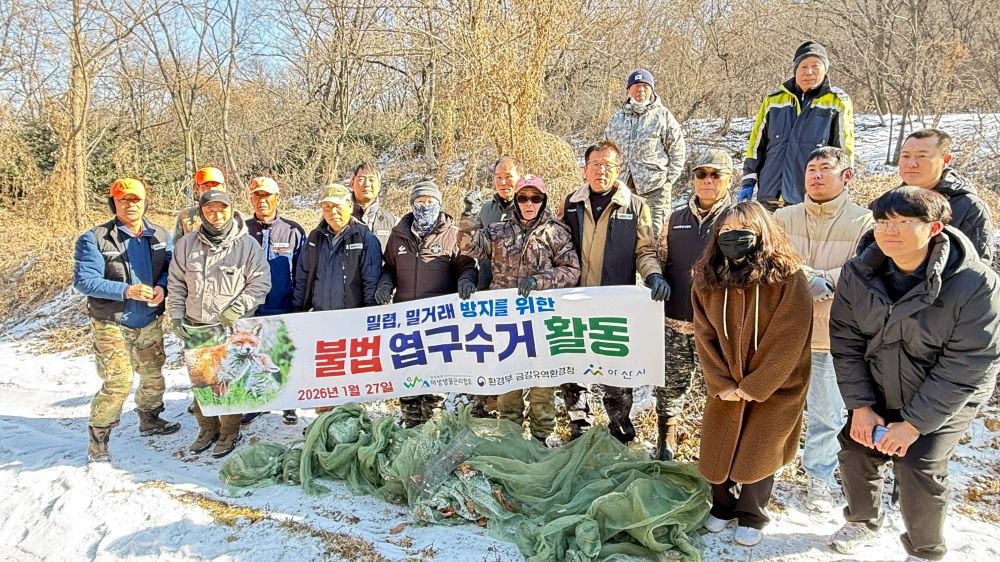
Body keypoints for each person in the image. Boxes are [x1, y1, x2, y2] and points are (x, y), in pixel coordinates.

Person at [828, 187, 1000, 562]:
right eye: (882, 222)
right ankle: (862, 520)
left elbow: (969, 362)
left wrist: (914, 423)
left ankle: (925, 549)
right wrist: (860, 405)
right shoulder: (858, 273)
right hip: (879, 380)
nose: (889, 231)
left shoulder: (974, 283)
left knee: (918, 462)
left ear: (934, 227)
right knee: (857, 449)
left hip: (945, 392)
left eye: (903, 222)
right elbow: (845, 341)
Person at [692, 201, 812, 547]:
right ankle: (723, 506)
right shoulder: (707, 277)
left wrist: (756, 384)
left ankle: (753, 514)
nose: (734, 237)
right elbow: (704, 334)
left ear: (761, 232)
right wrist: (721, 382)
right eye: (726, 231)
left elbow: (788, 338)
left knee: (760, 449)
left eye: (743, 231)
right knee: (718, 447)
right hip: (727, 382)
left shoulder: (788, 277)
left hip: (776, 385)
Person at [772, 147, 874, 512]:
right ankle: (768, 470)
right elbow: (771, 260)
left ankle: (818, 476)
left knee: (826, 413)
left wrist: (824, 279)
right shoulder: (782, 218)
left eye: (825, 169)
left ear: (846, 176)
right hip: (783, 332)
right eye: (811, 168)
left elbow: (865, 269)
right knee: (776, 407)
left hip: (833, 335)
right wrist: (803, 278)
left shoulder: (865, 222)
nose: (815, 175)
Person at [559, 140, 669, 442]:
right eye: (595, 164)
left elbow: (645, 251)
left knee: (616, 374)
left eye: (608, 165)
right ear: (585, 169)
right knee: (573, 369)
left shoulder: (635, 206)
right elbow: (555, 248)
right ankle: (579, 428)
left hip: (615, 307)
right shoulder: (569, 203)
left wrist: (653, 276)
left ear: (617, 169)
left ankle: (619, 429)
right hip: (574, 303)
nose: (601, 171)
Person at [459, 175, 581, 443]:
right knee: (509, 389)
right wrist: (468, 216)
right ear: (515, 200)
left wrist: (538, 281)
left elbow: (572, 270)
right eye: (523, 197)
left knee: (542, 392)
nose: (529, 203)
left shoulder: (556, 232)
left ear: (543, 201)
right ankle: (511, 442)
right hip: (506, 323)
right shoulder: (498, 230)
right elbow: (469, 247)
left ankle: (539, 443)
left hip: (543, 324)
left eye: (535, 198)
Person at [73, 178, 180, 463]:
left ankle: (150, 419)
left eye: (136, 200)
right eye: (124, 200)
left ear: (145, 202)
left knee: (153, 375)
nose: (130, 205)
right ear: (114, 204)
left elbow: (171, 269)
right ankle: (99, 437)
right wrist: (126, 290)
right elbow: (85, 281)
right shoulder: (94, 238)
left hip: (148, 319)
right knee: (118, 380)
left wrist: (163, 287)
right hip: (112, 322)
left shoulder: (160, 235)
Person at [167, 190, 271, 458]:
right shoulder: (186, 245)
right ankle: (207, 428)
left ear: (231, 210)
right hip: (197, 325)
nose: (217, 215)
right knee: (201, 380)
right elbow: (176, 284)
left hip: (230, 328)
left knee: (228, 382)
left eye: (222, 209)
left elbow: (261, 282)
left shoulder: (246, 245)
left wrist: (238, 308)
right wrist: (176, 315)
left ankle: (229, 431)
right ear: (201, 213)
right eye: (210, 210)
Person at [652, 149, 733, 461]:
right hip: (673, 322)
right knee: (668, 385)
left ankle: (715, 447)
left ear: (728, 179)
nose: (708, 181)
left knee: (716, 391)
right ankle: (665, 440)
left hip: (717, 328)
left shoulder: (739, 219)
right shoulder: (675, 219)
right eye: (701, 174)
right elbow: (657, 259)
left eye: (716, 175)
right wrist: (653, 278)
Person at [377, 180, 478, 428]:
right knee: (409, 382)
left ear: (439, 204)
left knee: (434, 387)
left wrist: (466, 281)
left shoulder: (453, 234)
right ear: (411, 204)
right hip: (406, 323)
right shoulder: (398, 235)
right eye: (419, 202)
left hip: (439, 325)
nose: (424, 207)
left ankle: (431, 431)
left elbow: (467, 266)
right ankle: (411, 427)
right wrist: (385, 284)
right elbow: (389, 268)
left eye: (429, 202)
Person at [295, 183, 382, 415]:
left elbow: (371, 283)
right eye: (326, 207)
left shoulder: (365, 238)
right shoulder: (314, 238)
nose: (332, 212)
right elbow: (303, 277)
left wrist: (369, 320)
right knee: (325, 375)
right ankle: (324, 421)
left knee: (351, 377)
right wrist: (298, 312)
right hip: (322, 320)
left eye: (337, 206)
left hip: (351, 322)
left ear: (349, 206)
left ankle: (351, 421)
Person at [741, 41, 854, 211]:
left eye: (815, 66)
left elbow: (844, 150)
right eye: (803, 66)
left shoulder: (837, 102)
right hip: (769, 196)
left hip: (808, 199)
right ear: (795, 70)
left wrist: (842, 186)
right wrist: (748, 181)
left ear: (825, 69)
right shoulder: (774, 100)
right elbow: (756, 145)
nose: (809, 72)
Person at [240, 176, 306, 427]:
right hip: (250, 307)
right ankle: (257, 403)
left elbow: (302, 271)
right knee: (252, 355)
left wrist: (299, 303)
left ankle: (288, 404)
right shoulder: (241, 230)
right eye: (257, 195)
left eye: (267, 196)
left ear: (277, 198)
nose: (262, 200)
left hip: (283, 303)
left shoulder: (292, 230)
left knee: (283, 355)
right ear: (251, 199)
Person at [461, 155, 522, 418]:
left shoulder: (532, 204)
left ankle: (514, 411)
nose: (503, 182)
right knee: (488, 351)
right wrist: (468, 216)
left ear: (519, 177)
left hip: (522, 296)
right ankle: (485, 404)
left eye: (508, 176)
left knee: (517, 353)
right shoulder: (486, 210)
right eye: (498, 177)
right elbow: (469, 246)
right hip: (489, 292)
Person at [604, 68, 686, 237]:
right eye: (636, 86)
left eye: (645, 86)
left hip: (655, 188)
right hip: (623, 186)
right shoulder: (617, 118)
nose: (640, 90)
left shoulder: (663, 116)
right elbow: (606, 148)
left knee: (653, 235)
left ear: (651, 89)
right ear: (628, 90)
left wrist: (669, 179)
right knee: (623, 234)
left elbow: (677, 148)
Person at [898, 128, 994, 261]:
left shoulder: (969, 207)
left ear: (946, 160)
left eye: (922, 156)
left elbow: (978, 268)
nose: (911, 164)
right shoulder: (886, 202)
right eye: (905, 156)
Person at [350, 161, 398, 250]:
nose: (367, 184)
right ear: (352, 184)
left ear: (379, 185)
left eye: (371, 180)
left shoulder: (392, 222)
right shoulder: (338, 218)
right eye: (361, 179)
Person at [174, 166, 225, 241]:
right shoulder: (186, 216)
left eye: (216, 185)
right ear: (197, 188)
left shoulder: (235, 217)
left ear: (224, 187)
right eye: (207, 185)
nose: (212, 189)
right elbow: (177, 248)